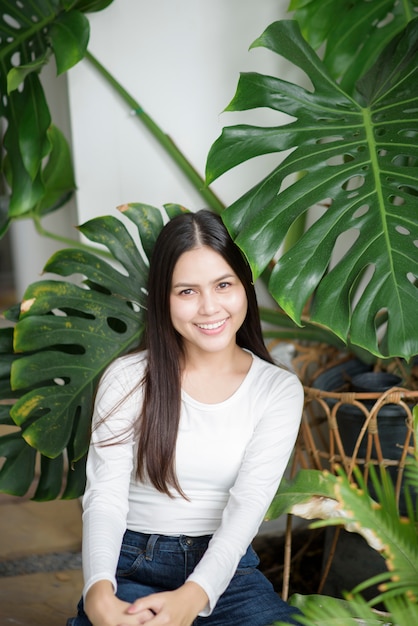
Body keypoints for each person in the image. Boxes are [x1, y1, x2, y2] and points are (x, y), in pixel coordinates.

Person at [67, 209, 304, 626]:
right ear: (164, 297)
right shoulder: (129, 379)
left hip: (225, 573)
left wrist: (193, 596)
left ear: (244, 287)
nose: (209, 308)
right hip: (132, 565)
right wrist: (98, 593)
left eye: (223, 285)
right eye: (187, 292)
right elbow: (104, 497)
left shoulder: (277, 390)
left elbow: (248, 505)